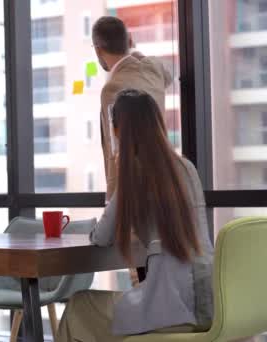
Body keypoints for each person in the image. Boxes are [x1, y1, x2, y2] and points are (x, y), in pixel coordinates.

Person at [58, 90, 214, 341]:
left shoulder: (136, 171)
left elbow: (102, 236)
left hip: (174, 307)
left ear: (120, 130)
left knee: (79, 305)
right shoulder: (186, 167)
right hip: (211, 303)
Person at [92, 16, 173, 201]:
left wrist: (111, 201)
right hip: (164, 180)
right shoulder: (154, 68)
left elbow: (115, 148)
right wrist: (135, 54)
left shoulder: (111, 90)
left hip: (132, 192)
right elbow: (169, 76)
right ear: (129, 40)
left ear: (98, 50)